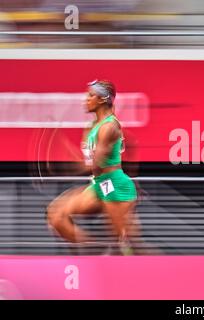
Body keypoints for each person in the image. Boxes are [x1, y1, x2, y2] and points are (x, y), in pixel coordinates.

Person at [46, 80, 139, 255]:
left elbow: (96, 165)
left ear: (103, 99)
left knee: (126, 243)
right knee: (56, 216)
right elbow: (131, 144)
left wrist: (63, 155)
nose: (85, 99)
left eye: (90, 95)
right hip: (100, 184)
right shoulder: (90, 127)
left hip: (113, 186)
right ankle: (95, 250)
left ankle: (145, 271)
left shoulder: (109, 127)